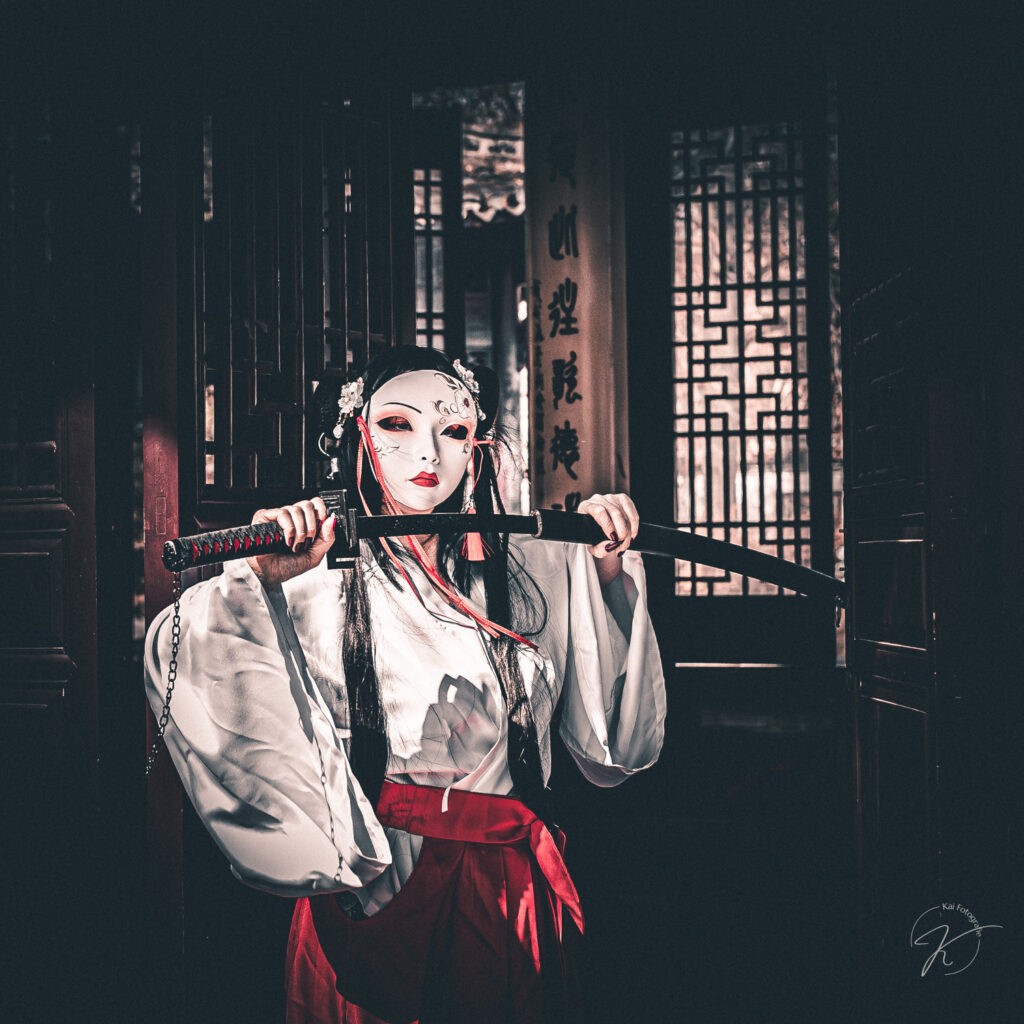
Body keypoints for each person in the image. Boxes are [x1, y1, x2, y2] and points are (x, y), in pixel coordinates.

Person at [144, 345, 666, 1023]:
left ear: (477, 446)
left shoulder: (532, 563)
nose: (428, 452)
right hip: (379, 873)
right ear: (359, 434)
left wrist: (604, 563)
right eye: (397, 424)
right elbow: (198, 652)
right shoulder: (315, 571)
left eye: (453, 431)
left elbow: (607, 720)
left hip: (508, 876)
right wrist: (262, 578)